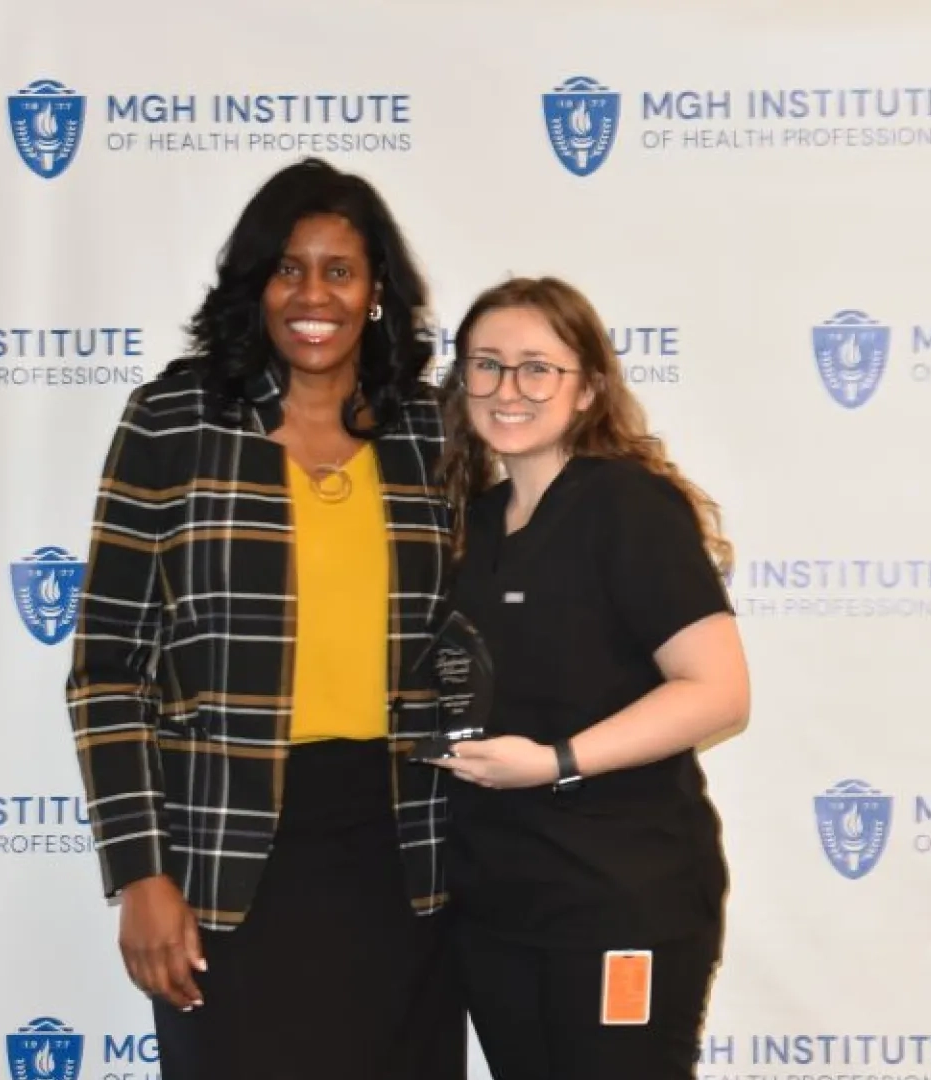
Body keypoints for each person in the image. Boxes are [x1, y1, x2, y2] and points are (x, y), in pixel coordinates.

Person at [65, 157, 463, 1080]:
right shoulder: (172, 419)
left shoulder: (428, 433)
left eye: (339, 270)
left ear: (375, 294)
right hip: (223, 857)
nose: (312, 293)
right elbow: (107, 668)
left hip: (404, 855)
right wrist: (142, 872)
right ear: (255, 284)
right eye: (289, 267)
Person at [430, 276, 750, 1079]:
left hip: (618, 898)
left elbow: (718, 691)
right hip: (497, 903)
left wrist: (556, 761)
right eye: (487, 365)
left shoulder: (627, 507)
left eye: (538, 368)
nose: (509, 389)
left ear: (588, 391)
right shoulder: (469, 530)